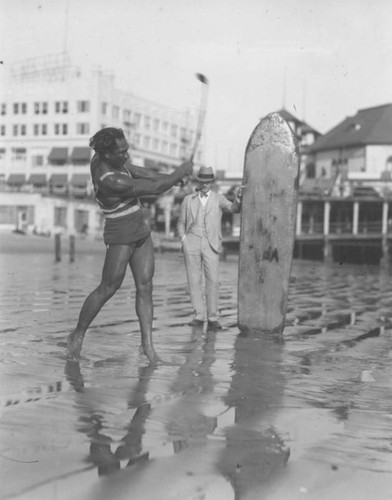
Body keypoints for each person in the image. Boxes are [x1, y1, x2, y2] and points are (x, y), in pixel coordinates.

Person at [66, 127, 193, 363]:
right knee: (109, 286)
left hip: (140, 228)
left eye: (127, 149)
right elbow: (154, 189)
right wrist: (178, 172)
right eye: (121, 152)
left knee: (145, 286)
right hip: (120, 231)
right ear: (106, 155)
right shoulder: (109, 179)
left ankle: (148, 347)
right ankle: (77, 333)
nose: (126, 155)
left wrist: (173, 178)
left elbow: (134, 170)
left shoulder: (109, 159)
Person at [177, 166, 242, 329]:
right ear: (198, 181)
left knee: (213, 280)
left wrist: (239, 198)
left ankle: (213, 318)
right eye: (202, 181)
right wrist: (184, 239)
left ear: (212, 182)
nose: (205, 184)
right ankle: (198, 315)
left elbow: (234, 209)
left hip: (211, 244)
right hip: (191, 242)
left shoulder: (219, 199)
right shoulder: (188, 200)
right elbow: (180, 223)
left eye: (208, 182)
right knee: (194, 280)